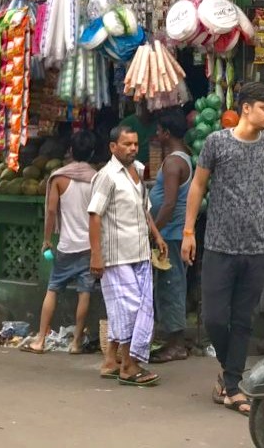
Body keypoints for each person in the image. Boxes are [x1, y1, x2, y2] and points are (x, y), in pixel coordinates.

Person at [182, 81, 264, 417]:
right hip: (218, 244)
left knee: (242, 320)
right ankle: (231, 376)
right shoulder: (216, 142)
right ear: (246, 108)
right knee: (215, 318)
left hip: (257, 246)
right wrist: (189, 231)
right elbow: (198, 184)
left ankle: (232, 386)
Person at [89, 125, 168, 387]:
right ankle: (130, 366)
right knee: (131, 309)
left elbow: (144, 211)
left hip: (140, 252)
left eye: (135, 143)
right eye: (126, 144)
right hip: (116, 255)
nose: (132, 148)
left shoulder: (140, 171)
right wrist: (96, 256)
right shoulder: (107, 176)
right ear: (113, 147)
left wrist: (156, 236)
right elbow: (95, 215)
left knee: (129, 309)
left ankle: (111, 361)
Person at [23, 131, 98, 355]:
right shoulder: (96, 178)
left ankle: (40, 340)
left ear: (71, 152)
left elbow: (52, 211)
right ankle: (76, 343)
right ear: (93, 152)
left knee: (53, 289)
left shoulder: (58, 178)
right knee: (84, 293)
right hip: (88, 246)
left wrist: (47, 240)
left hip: (66, 245)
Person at [148, 109, 193, 363]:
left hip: (171, 234)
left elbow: (168, 203)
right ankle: (172, 340)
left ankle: (175, 344)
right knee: (171, 284)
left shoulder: (174, 162)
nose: (156, 135)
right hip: (172, 233)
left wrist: (154, 231)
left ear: (166, 133)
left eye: (158, 131)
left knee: (171, 286)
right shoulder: (183, 157)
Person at [120, 103, 156, 169]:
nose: (151, 110)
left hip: (153, 167)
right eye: (148, 107)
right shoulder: (128, 123)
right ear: (141, 106)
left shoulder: (157, 123)